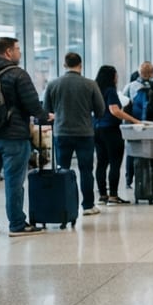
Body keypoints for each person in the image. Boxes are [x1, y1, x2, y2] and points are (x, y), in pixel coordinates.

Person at [0, 37, 52, 237]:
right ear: (8, 51)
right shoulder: (18, 74)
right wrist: (46, 116)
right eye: (17, 49)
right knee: (13, 182)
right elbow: (32, 105)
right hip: (13, 136)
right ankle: (17, 225)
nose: (19, 52)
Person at [44, 52, 107, 217]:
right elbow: (101, 110)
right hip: (84, 133)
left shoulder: (53, 84)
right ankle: (88, 206)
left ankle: (64, 205)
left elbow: (46, 110)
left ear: (64, 65)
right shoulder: (91, 84)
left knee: (62, 170)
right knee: (86, 170)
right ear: (81, 65)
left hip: (61, 133)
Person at [92, 65, 141, 204]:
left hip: (97, 129)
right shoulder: (110, 91)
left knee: (101, 163)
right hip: (111, 130)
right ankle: (113, 196)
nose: (117, 77)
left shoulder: (95, 90)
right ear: (111, 76)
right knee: (115, 163)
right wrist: (134, 120)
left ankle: (103, 195)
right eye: (116, 75)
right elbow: (114, 110)